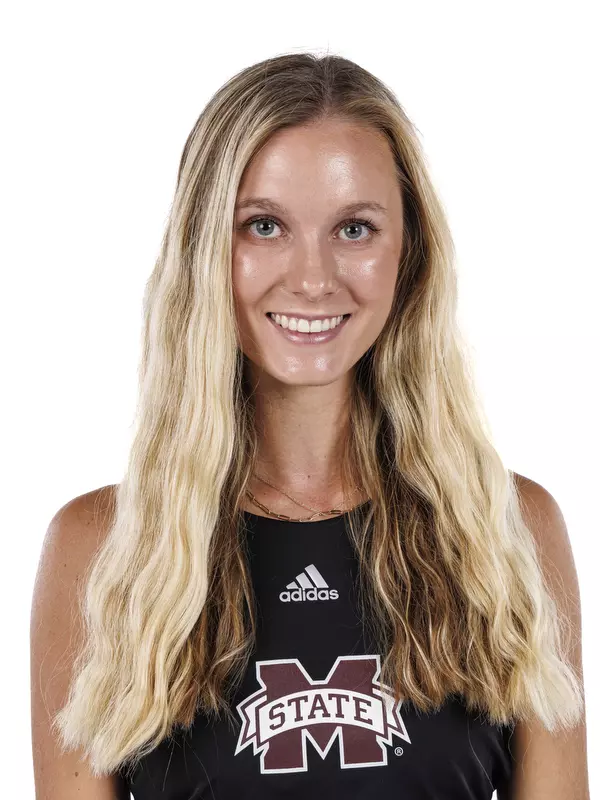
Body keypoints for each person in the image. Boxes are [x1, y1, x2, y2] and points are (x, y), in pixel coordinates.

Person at [30, 51, 589, 799]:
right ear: (204, 250)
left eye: (355, 229)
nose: (313, 278)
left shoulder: (511, 531)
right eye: (263, 226)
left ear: (409, 254)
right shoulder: (101, 550)